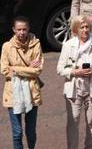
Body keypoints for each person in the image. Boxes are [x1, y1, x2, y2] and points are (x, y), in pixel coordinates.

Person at [57, 15, 92, 149]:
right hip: (74, 89)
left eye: (87, 27)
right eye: (82, 27)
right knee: (73, 121)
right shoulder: (69, 45)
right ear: (76, 29)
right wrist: (76, 72)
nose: (85, 30)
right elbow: (60, 69)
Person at [1, 17, 42, 149]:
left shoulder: (36, 44)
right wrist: (28, 68)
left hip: (32, 92)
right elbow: (4, 70)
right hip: (12, 92)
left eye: (24, 29)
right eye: (19, 29)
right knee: (17, 133)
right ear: (14, 30)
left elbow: (37, 71)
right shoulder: (7, 46)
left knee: (30, 133)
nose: (22, 32)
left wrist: (15, 69)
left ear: (28, 28)